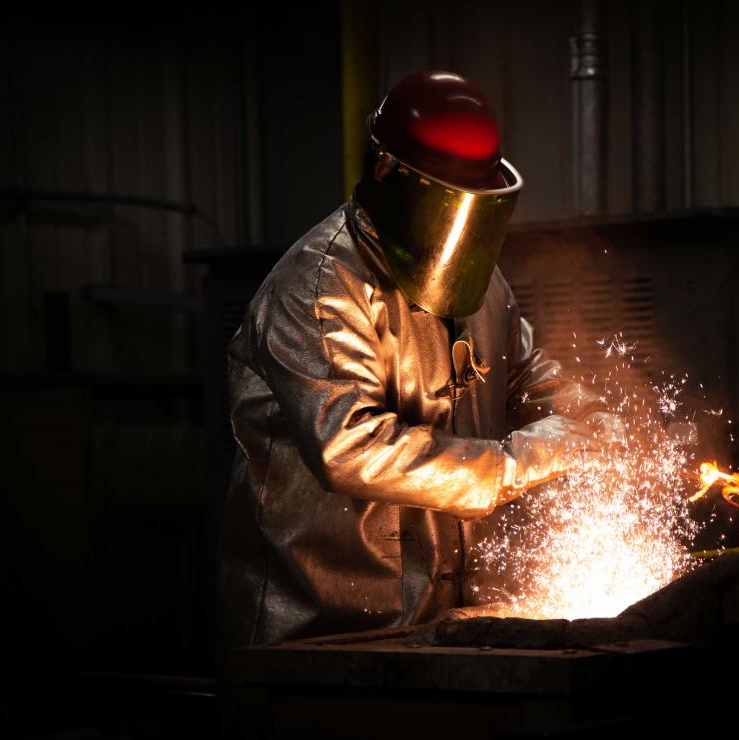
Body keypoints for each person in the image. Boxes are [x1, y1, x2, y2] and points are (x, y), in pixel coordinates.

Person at [218, 70, 623, 649]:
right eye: (445, 207)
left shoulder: (478, 277)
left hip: (440, 621)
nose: (457, 232)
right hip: (322, 629)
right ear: (389, 177)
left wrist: (596, 422)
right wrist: (521, 460)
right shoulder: (319, 286)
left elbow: (527, 376)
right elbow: (348, 447)